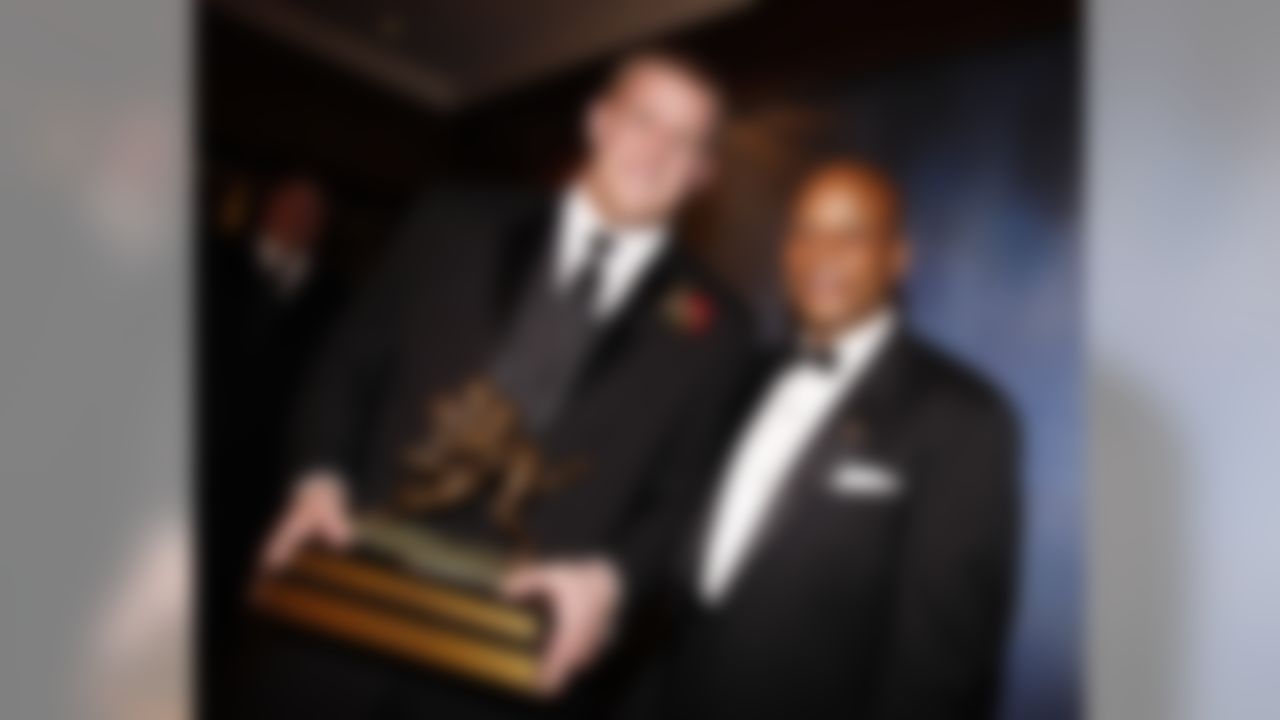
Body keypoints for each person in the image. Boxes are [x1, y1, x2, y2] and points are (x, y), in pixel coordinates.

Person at [233, 51, 752, 720]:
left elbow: (682, 498)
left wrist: (612, 580)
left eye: (683, 141)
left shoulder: (720, 326)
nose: (654, 151)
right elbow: (346, 368)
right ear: (596, 120)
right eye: (641, 119)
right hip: (343, 604)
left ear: (704, 173)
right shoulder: (451, 222)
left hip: (517, 663)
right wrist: (317, 477)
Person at [654, 161, 1020, 719]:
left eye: (851, 234)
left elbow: (943, 666)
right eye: (804, 231)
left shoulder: (964, 416)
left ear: (898, 257)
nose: (821, 252)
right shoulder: (740, 377)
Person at [202, 174, 344, 671]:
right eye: (292, 204)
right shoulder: (211, 262)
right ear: (267, 208)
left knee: (231, 586)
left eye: (314, 211)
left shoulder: (338, 297)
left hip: (266, 473)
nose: (301, 218)